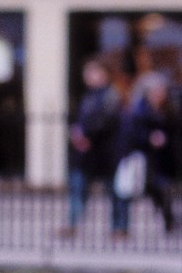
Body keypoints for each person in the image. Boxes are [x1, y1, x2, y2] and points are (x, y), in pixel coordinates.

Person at [113, 74, 178, 236]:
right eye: (156, 92)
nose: (159, 95)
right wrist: (149, 137)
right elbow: (130, 134)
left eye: (162, 91)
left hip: (163, 159)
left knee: (163, 189)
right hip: (143, 158)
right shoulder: (138, 111)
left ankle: (167, 219)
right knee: (133, 190)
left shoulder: (170, 109)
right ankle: (122, 226)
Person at [63, 58, 120, 234]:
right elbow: (81, 119)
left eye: (92, 72)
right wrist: (76, 133)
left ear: (103, 74)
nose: (87, 76)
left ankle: (119, 228)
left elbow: (108, 121)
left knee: (115, 191)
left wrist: (86, 135)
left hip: (104, 152)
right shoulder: (88, 96)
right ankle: (72, 224)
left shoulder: (110, 95)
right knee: (78, 187)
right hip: (86, 153)